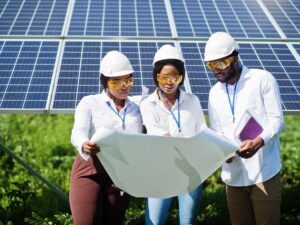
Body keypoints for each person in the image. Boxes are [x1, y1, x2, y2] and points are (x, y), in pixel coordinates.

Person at [205, 32, 285, 225]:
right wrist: (223, 151)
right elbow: (217, 132)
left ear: (235, 58)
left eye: (221, 63)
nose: (216, 70)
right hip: (233, 176)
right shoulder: (214, 92)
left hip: (264, 172)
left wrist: (259, 141)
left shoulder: (262, 79)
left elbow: (277, 120)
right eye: (211, 65)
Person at [69, 50, 143, 225]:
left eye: (128, 80)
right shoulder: (90, 102)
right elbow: (77, 132)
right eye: (116, 82)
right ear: (104, 81)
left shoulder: (137, 108)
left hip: (120, 176)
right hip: (90, 170)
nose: (123, 86)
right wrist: (83, 143)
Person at [140, 44, 206, 225]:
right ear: (156, 76)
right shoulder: (148, 104)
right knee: (154, 222)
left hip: (190, 172)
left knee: (188, 222)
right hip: (159, 172)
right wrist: (165, 136)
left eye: (175, 77)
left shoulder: (192, 101)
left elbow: (202, 131)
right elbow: (151, 128)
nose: (169, 82)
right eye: (164, 76)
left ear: (181, 77)